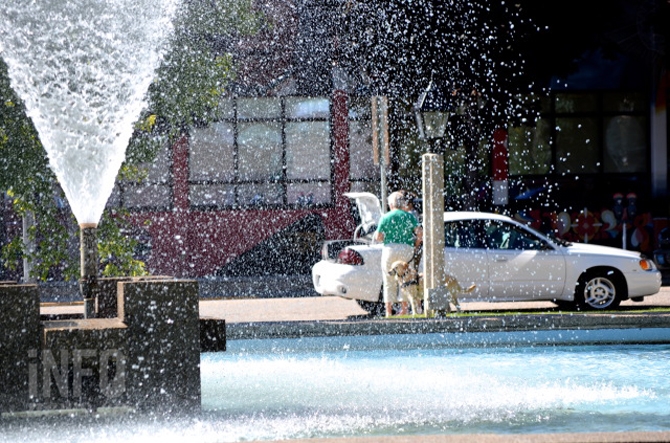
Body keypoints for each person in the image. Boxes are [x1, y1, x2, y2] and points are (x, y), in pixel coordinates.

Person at [373, 191, 422, 317]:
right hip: (406, 249)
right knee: (405, 279)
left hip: (390, 249)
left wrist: (387, 239)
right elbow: (419, 234)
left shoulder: (385, 217)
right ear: (402, 204)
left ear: (390, 204)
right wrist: (415, 245)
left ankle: (388, 311)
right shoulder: (409, 216)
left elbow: (378, 237)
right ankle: (404, 309)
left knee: (388, 280)